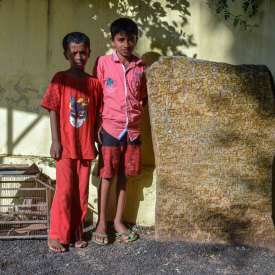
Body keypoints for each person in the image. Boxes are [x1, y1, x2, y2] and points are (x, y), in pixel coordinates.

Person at [40, 32, 102, 252]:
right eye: (74, 53)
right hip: (65, 147)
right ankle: (57, 234)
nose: (79, 57)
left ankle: (75, 233)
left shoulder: (94, 84)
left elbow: (97, 115)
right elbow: (53, 109)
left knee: (81, 193)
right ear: (66, 54)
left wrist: (96, 138)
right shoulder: (60, 78)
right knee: (65, 190)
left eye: (83, 52)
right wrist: (55, 141)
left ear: (89, 53)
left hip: (85, 148)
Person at [92, 18, 147, 245]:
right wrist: (97, 125)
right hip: (111, 129)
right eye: (121, 39)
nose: (126, 44)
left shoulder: (140, 66)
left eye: (131, 39)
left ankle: (118, 222)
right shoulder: (103, 63)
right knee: (107, 176)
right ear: (112, 40)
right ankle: (102, 223)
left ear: (136, 40)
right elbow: (96, 96)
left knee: (124, 177)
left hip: (133, 131)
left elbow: (142, 97)